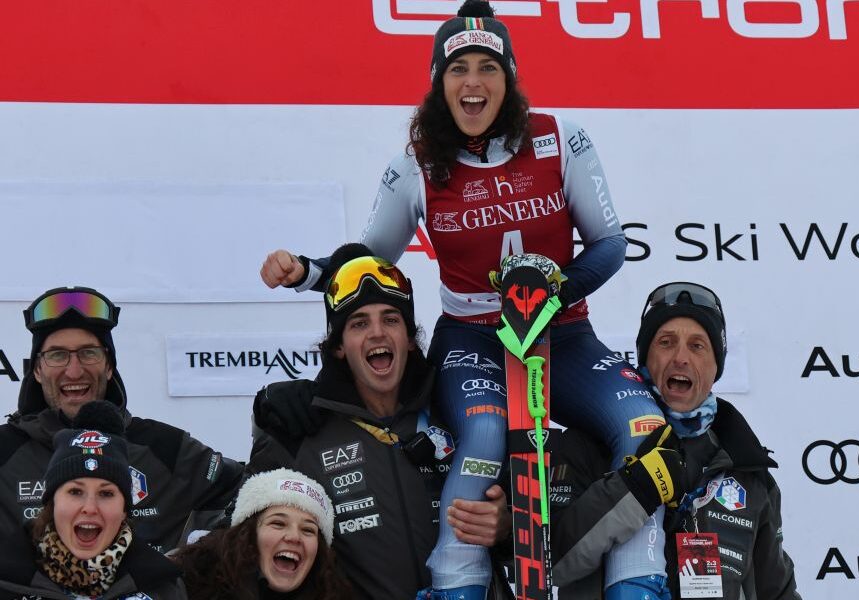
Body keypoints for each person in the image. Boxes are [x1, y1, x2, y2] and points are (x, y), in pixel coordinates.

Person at [259, 1, 665, 596]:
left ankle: (637, 585)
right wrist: (307, 272)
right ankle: (456, 584)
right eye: (458, 70)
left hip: (561, 332)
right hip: (474, 337)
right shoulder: (417, 164)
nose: (473, 82)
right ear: (438, 84)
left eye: (487, 68)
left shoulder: (561, 138)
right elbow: (372, 259)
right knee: (484, 433)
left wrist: (554, 294)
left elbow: (609, 244)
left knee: (645, 429)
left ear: (509, 80)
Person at [251, 245, 513, 600]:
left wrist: (507, 526)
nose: (377, 333)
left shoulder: (462, 415)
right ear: (339, 346)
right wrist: (262, 415)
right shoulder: (300, 431)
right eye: (359, 323)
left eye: (390, 319)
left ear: (409, 339)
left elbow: (543, 524)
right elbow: (246, 547)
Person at [548, 282, 801, 600]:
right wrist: (635, 486)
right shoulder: (588, 446)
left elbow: (777, 592)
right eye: (666, 343)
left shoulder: (747, 468)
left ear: (715, 367)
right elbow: (552, 563)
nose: (681, 358)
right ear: (645, 358)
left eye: (697, 346)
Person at [0, 285, 244, 552]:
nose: (74, 371)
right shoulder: (4, 451)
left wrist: (198, 559)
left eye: (89, 353)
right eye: (57, 355)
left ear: (109, 366)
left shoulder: (164, 448)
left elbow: (254, 493)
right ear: (37, 370)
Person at [0, 400, 187, 599]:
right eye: (75, 492)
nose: (90, 508)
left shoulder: (162, 587)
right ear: (52, 503)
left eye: (106, 494)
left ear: (124, 509)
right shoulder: (7, 583)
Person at [174, 467, 351, 599]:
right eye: (278, 523)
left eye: (307, 530)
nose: (294, 537)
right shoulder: (180, 587)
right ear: (246, 535)